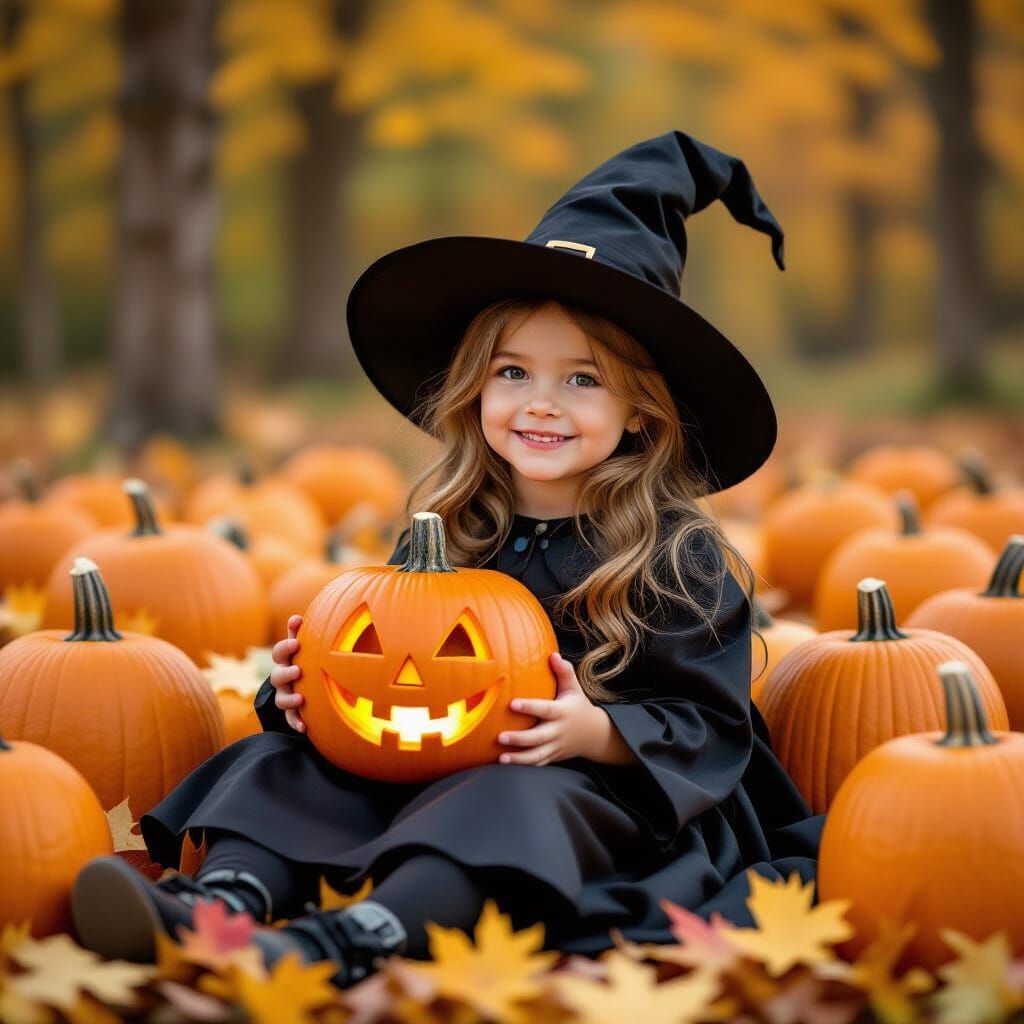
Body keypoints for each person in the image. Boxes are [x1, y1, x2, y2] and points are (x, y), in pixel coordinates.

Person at [72, 130, 824, 988]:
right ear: (476, 387)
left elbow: (714, 727)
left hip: (598, 803)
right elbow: (391, 672)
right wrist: (299, 697)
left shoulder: (674, 557)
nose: (540, 404)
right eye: (514, 372)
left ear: (644, 412)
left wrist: (600, 733)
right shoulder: (454, 526)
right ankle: (226, 904)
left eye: (582, 380)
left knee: (508, 803)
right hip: (429, 772)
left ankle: (351, 938)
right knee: (277, 761)